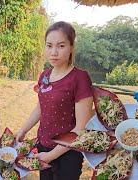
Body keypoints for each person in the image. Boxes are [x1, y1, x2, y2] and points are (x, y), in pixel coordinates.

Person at [16, 21, 94, 180]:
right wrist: (23, 130)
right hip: (43, 146)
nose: (53, 52)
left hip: (68, 153)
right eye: (49, 45)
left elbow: (81, 129)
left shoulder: (80, 78)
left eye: (61, 46)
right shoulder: (44, 75)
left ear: (71, 47)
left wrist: (51, 155)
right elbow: (41, 106)